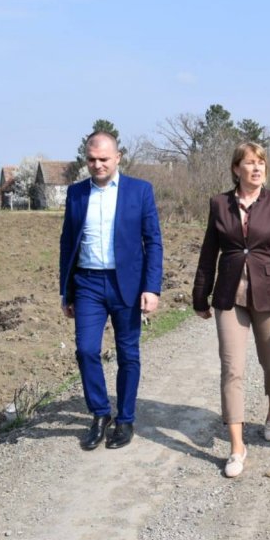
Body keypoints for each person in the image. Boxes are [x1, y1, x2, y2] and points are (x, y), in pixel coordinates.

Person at [192, 141, 270, 478]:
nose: (256, 168)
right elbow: (208, 252)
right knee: (232, 369)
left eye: (261, 162)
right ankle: (237, 447)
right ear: (236, 168)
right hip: (229, 296)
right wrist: (200, 295)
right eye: (250, 162)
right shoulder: (219, 204)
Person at [59, 131, 163, 451]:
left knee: (128, 353)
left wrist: (152, 287)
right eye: (92, 159)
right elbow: (67, 242)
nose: (98, 165)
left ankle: (126, 418)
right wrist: (66, 291)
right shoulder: (76, 193)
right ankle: (100, 413)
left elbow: (153, 242)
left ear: (118, 157)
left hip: (126, 284)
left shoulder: (140, 191)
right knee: (86, 350)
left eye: (104, 159)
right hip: (87, 284)